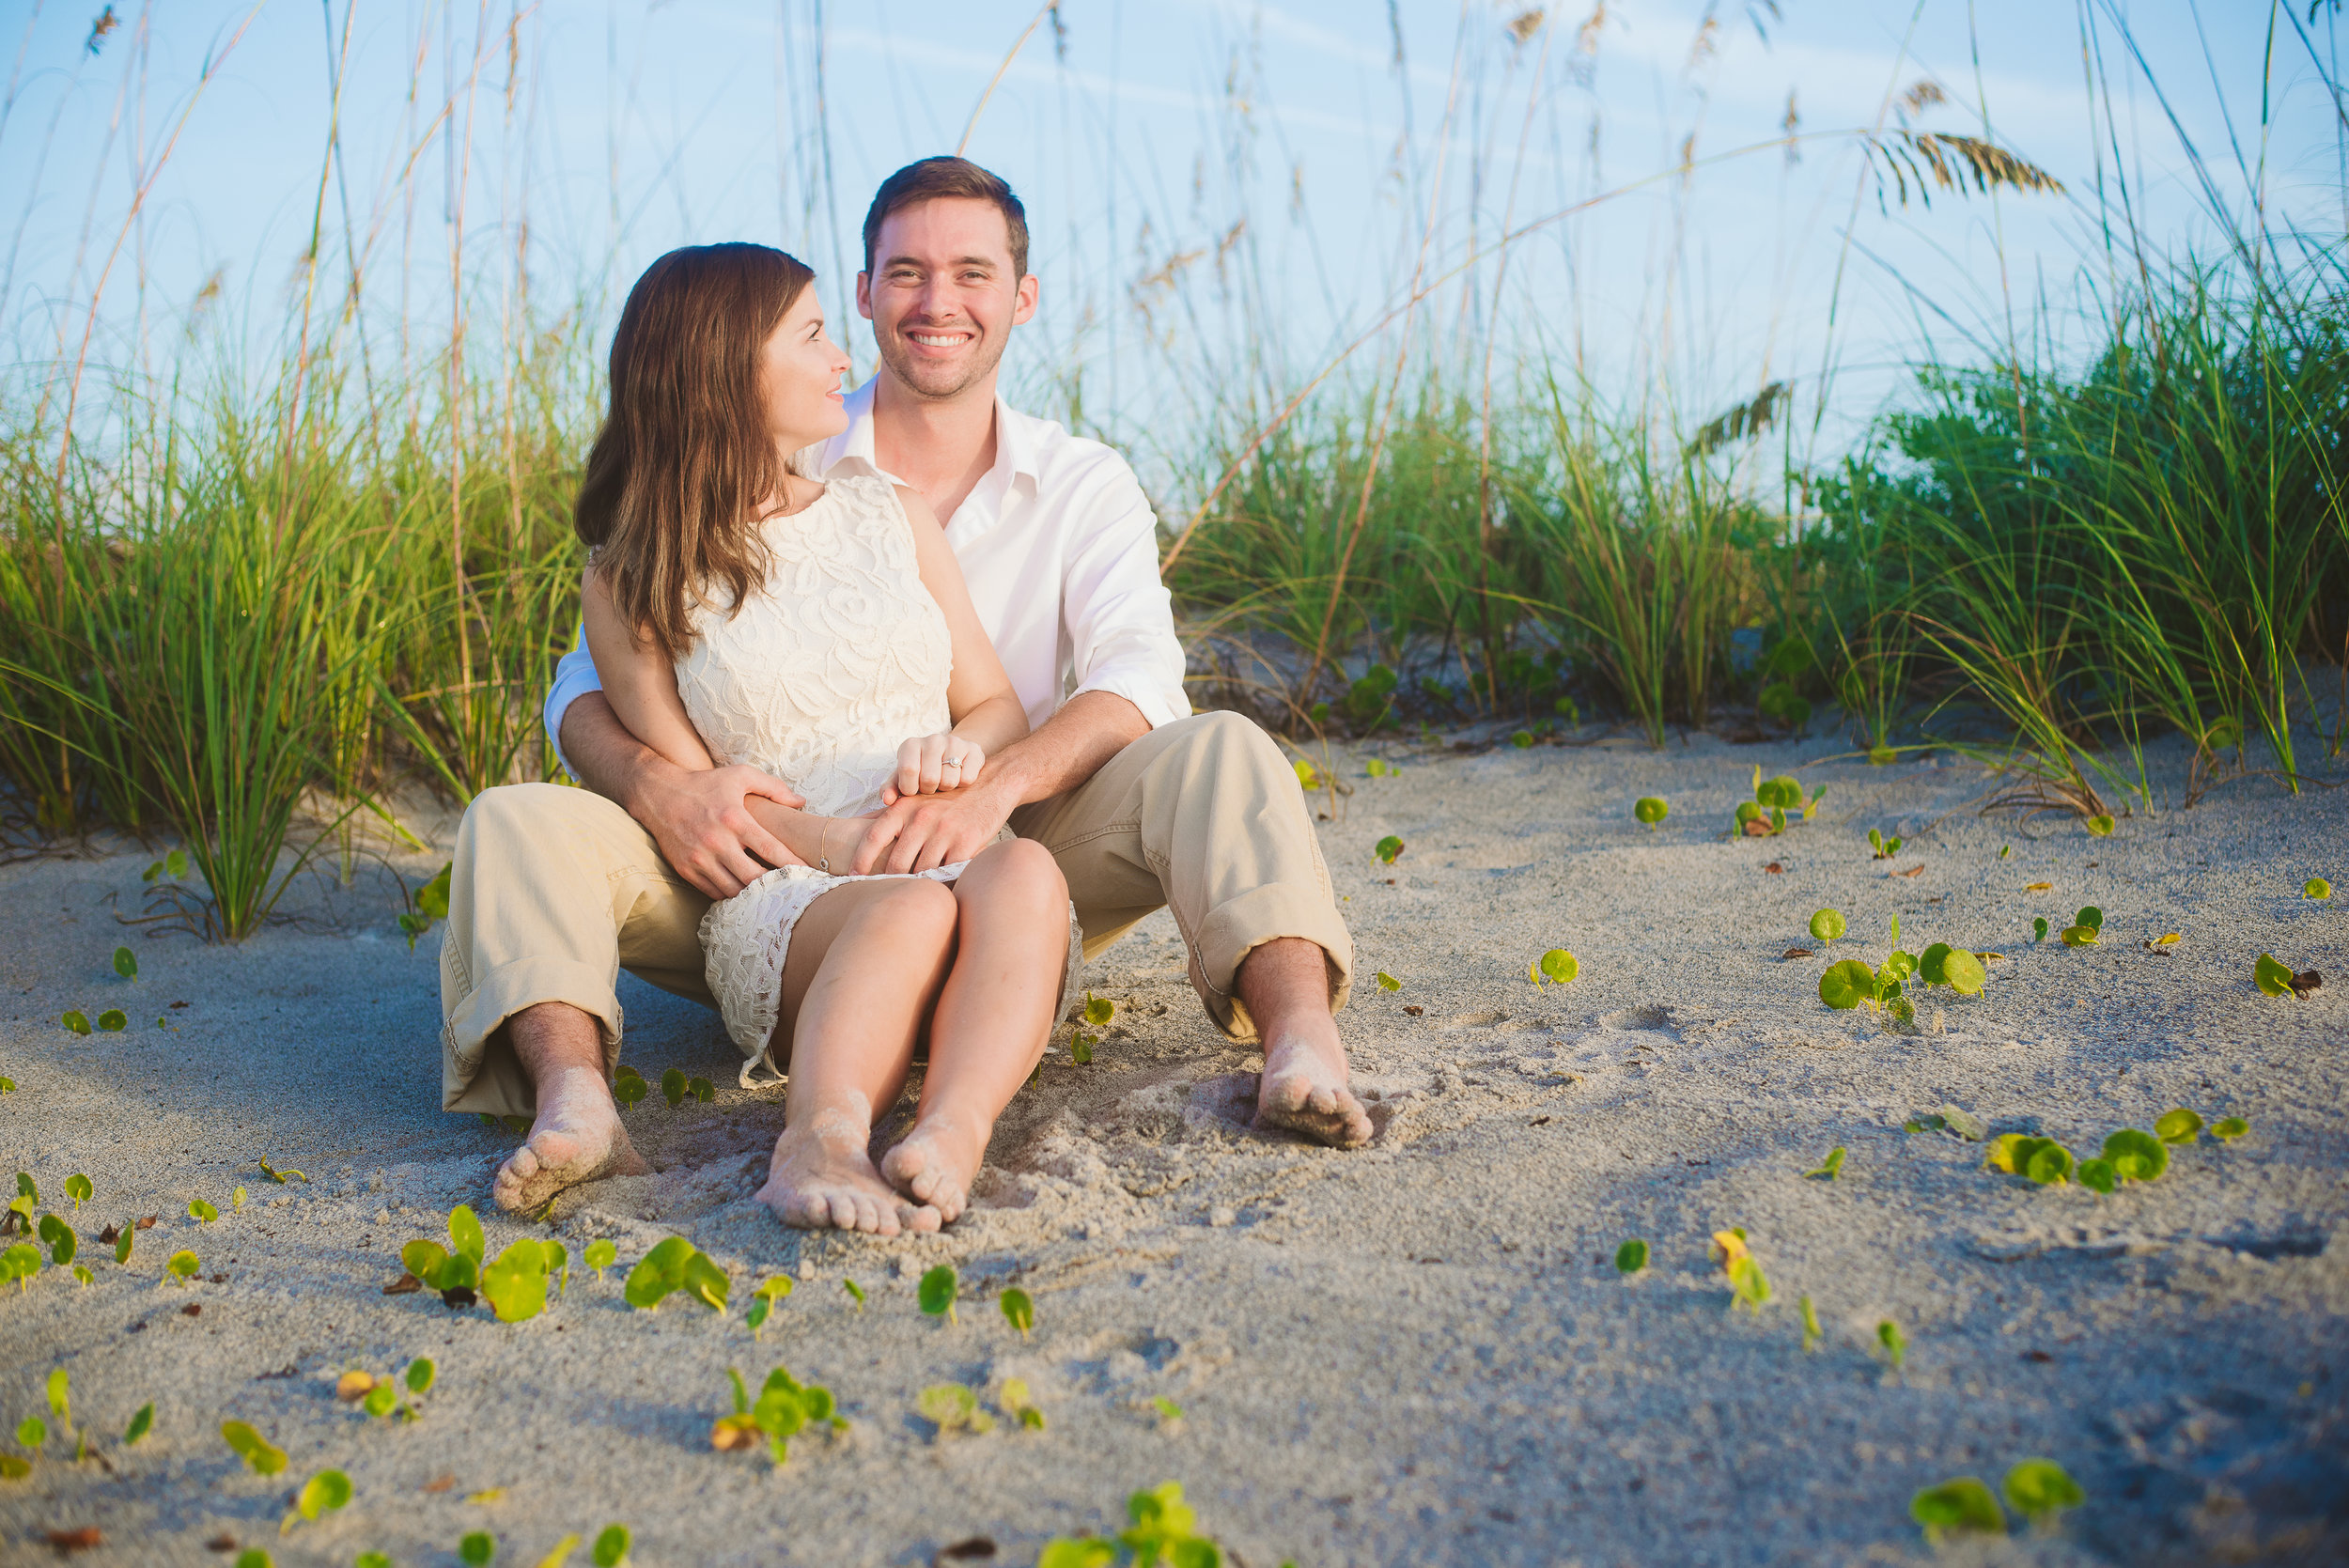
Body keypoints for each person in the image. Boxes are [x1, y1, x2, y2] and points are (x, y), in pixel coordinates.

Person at [440, 157, 1368, 1235]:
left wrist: (981, 787)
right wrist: (664, 787)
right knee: (517, 818)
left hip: (1004, 832)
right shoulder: (746, 487)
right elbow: (583, 689)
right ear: (867, 291)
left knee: (1215, 752)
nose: (936, 303)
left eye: (972, 272)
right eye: (904, 274)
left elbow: (1131, 679)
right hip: (771, 860)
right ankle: (577, 1097)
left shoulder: (1056, 485)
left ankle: (1294, 1037)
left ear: (1020, 298)